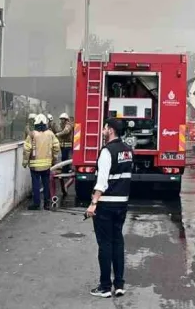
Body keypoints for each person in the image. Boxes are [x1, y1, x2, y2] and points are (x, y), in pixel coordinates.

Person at [86, 117, 132, 298]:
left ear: (111, 130)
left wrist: (93, 203)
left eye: (105, 128)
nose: (103, 130)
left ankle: (105, 287)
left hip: (106, 205)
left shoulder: (107, 152)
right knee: (118, 243)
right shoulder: (128, 151)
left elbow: (102, 181)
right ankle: (119, 284)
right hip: (122, 204)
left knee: (104, 244)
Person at [23, 113, 60, 210]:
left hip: (34, 165)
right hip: (47, 165)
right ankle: (47, 204)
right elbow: (56, 147)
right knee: (46, 183)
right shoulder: (50, 134)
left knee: (36, 184)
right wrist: (54, 159)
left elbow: (27, 149)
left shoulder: (32, 135)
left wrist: (25, 162)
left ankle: (36, 204)